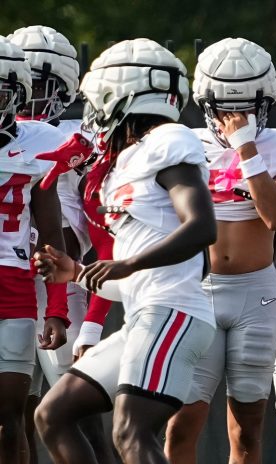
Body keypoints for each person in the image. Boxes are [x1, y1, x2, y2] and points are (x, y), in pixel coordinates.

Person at [32, 38, 217, 464]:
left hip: (174, 312)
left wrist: (126, 262)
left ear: (123, 94)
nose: (93, 112)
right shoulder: (124, 162)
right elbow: (132, 279)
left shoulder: (168, 138)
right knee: (53, 414)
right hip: (145, 314)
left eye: (98, 99)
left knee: (131, 432)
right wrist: (77, 272)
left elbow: (201, 229)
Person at [164, 37, 276, 464]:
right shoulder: (184, 143)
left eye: (249, 107)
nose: (237, 117)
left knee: (247, 430)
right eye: (228, 108)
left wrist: (247, 149)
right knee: (181, 422)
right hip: (197, 292)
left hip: (256, 293)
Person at [9, 25, 113, 464]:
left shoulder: (77, 138)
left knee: (71, 406)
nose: (31, 97)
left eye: (43, 86)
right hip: (12, 279)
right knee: (18, 411)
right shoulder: (11, 137)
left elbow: (93, 225)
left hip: (61, 281)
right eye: (24, 84)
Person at [0, 35, 68, 464]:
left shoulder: (39, 141)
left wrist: (57, 308)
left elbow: (51, 233)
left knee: (8, 417)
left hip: (14, 286)